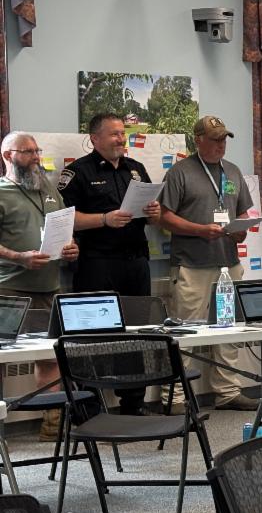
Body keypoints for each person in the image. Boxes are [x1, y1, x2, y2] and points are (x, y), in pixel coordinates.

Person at [59, 112, 162, 415]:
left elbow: (149, 211)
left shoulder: (136, 169)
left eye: (123, 133)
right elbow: (66, 218)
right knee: (93, 338)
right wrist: (104, 219)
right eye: (114, 134)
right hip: (97, 264)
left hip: (136, 262)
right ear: (95, 139)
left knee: (137, 334)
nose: (121, 139)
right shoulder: (77, 172)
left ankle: (133, 403)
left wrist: (154, 211)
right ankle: (90, 406)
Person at [158, 115, 256, 411]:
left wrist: (241, 230)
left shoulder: (234, 172)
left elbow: (244, 214)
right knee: (185, 331)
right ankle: (174, 397)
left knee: (227, 330)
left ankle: (227, 391)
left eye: (224, 139)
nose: (220, 145)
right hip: (191, 265)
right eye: (214, 139)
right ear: (198, 140)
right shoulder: (180, 172)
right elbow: (164, 216)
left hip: (228, 263)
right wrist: (201, 230)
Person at [0, 131, 80, 438]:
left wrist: (71, 246)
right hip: (9, 289)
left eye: (37, 150)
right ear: (8, 156)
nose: (36, 157)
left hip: (49, 286)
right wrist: (18, 257)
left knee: (49, 356)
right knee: (2, 358)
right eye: (28, 152)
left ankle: (52, 425)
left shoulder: (47, 187)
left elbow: (63, 225)